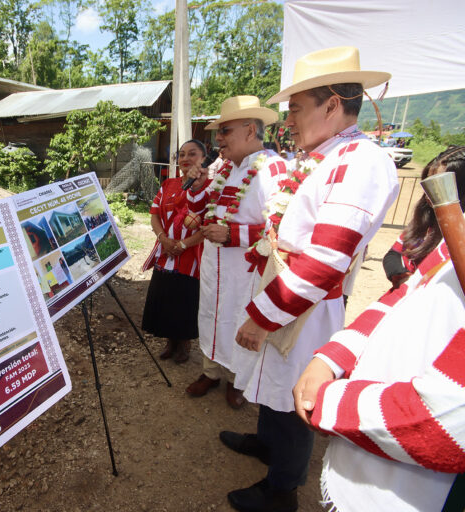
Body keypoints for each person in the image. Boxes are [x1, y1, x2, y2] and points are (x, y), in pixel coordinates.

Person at [224, 46, 399, 512]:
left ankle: (283, 489)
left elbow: (323, 260)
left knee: (295, 389)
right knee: (274, 380)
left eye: (296, 109)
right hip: (290, 292)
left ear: (332, 105)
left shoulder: (361, 162)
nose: (288, 123)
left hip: (307, 302)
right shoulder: (328, 155)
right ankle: (268, 446)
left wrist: (261, 318)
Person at [293, 146, 465, 512]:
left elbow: (444, 423)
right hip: (368, 462)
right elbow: (400, 298)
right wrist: (330, 358)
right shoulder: (451, 247)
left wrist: (327, 402)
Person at [183, 96, 285, 408]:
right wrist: (196, 185)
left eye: (225, 131)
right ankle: (211, 372)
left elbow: (281, 228)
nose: (218, 139)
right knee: (213, 315)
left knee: (239, 318)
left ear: (250, 131)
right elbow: (200, 209)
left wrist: (234, 234)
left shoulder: (273, 168)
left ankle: (239, 381)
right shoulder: (224, 167)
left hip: (246, 271)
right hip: (214, 265)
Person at [141, 139, 208, 363]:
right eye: (181, 154)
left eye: (192, 154)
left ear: (203, 159)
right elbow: (154, 215)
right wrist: (163, 239)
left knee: (185, 300)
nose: (186, 159)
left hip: (191, 255)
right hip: (165, 251)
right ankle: (170, 341)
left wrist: (183, 245)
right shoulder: (168, 184)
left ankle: (185, 345)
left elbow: (208, 224)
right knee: (165, 296)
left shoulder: (210, 187)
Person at [383, 145, 465, 289]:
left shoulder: (459, 236)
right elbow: (393, 255)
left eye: (437, 186)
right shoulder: (427, 218)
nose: (427, 194)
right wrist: (405, 279)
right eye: (427, 184)